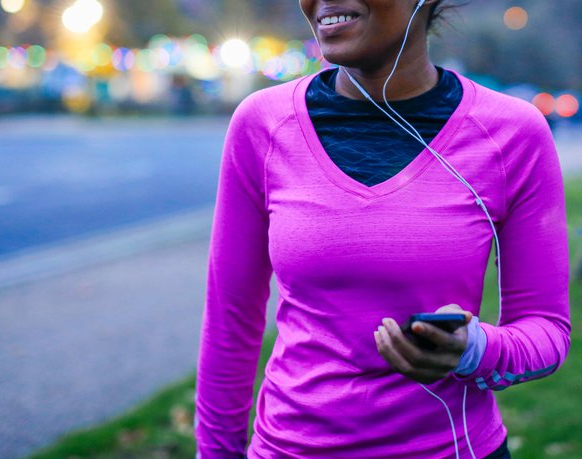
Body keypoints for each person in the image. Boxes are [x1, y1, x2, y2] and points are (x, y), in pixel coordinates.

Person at [194, 0, 571, 458]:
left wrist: (473, 351)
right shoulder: (262, 124)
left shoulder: (512, 133)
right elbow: (230, 323)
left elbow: (547, 331)